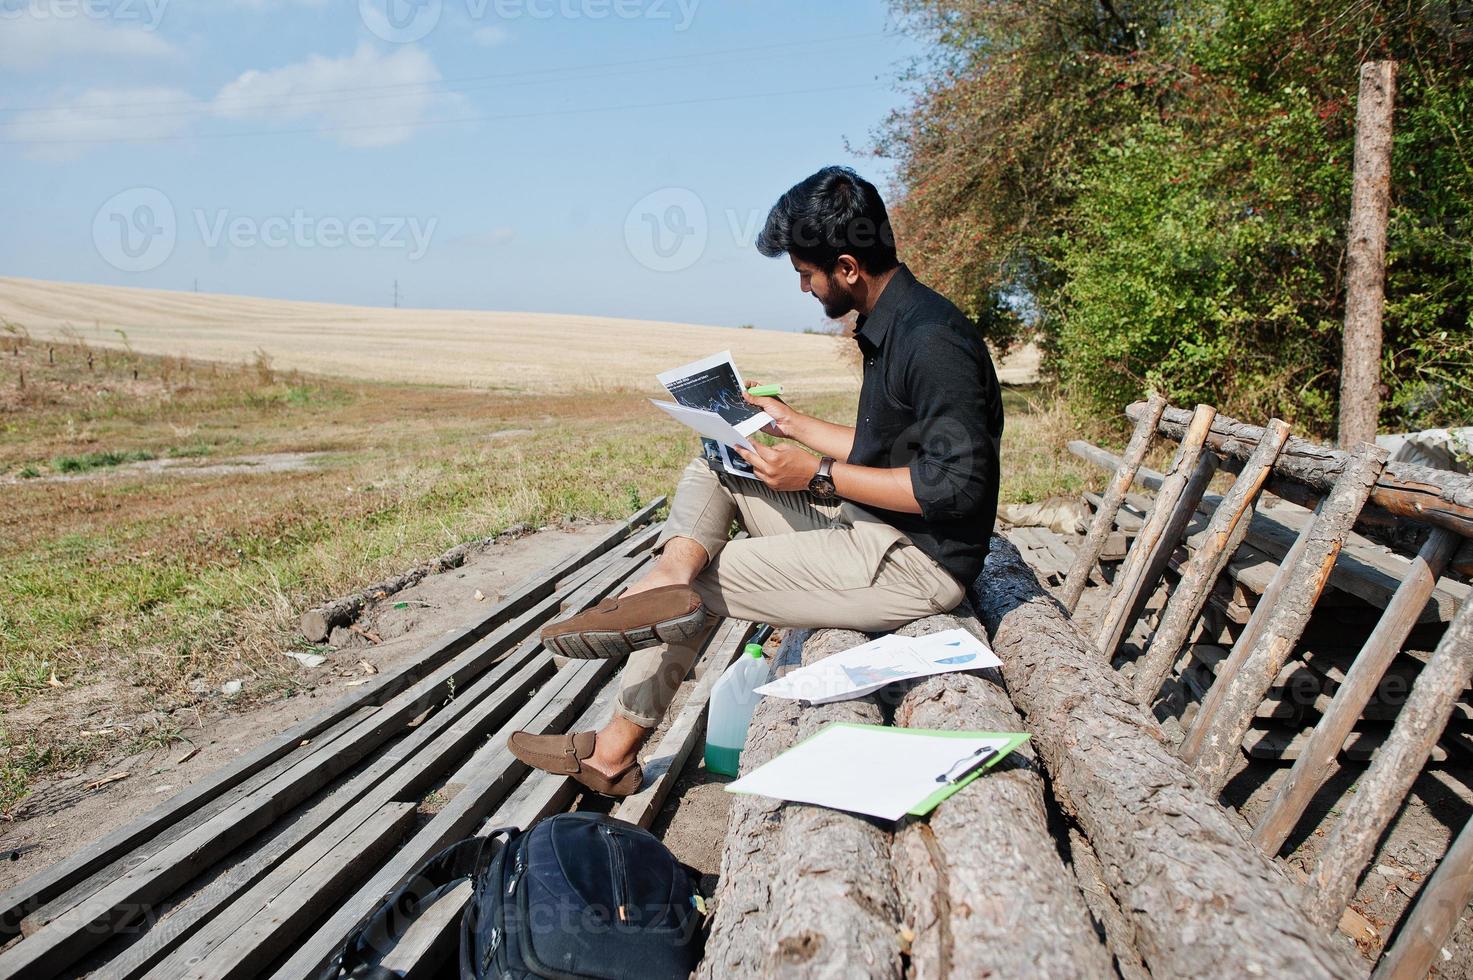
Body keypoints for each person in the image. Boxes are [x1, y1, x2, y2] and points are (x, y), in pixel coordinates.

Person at [507, 166, 1004, 796]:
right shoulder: (892, 325)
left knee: (709, 584)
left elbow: (956, 487)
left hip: (915, 564)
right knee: (717, 463)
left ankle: (612, 748)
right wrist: (788, 423)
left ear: (847, 267)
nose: (803, 287)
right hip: (871, 530)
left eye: (805, 273)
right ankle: (668, 579)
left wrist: (817, 476)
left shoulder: (933, 341)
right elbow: (886, 452)